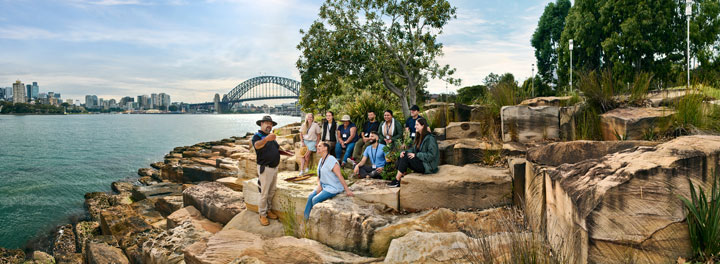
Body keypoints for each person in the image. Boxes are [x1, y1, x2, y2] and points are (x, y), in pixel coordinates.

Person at [304, 141, 353, 220]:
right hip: (323, 186)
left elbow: (340, 176)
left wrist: (347, 190)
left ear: (325, 148)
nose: (317, 147)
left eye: (320, 146)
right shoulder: (321, 160)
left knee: (315, 199)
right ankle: (305, 221)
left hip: (333, 187)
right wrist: (319, 185)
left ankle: (314, 220)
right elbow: (318, 176)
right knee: (310, 197)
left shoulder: (332, 160)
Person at [389, 117, 439, 187]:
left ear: (423, 126)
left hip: (428, 165)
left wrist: (416, 155)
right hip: (421, 161)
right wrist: (405, 152)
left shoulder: (430, 138)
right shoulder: (418, 136)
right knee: (403, 155)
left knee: (406, 157)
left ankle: (397, 180)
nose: (415, 126)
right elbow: (413, 149)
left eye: (417, 125)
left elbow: (431, 155)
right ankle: (402, 176)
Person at [252, 115, 281, 226]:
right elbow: (257, 145)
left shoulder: (271, 137)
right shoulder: (257, 136)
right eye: (267, 123)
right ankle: (262, 214)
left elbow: (277, 149)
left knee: (272, 191)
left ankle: (268, 210)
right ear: (261, 124)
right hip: (265, 168)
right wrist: (266, 139)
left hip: (274, 168)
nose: (269, 125)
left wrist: (288, 153)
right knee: (264, 193)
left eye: (271, 124)